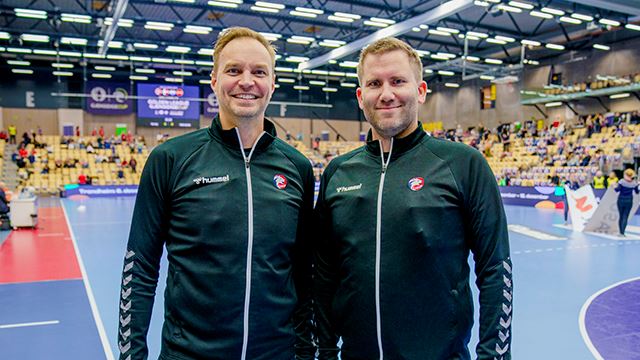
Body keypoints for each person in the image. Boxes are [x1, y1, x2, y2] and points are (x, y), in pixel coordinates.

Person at [117, 27, 315, 360]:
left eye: (259, 72)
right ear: (214, 80)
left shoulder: (297, 167)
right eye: (234, 70)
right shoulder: (171, 159)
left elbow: (303, 272)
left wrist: (306, 352)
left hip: (276, 353)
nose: (247, 81)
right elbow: (140, 266)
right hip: (189, 353)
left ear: (273, 84)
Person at [313, 37, 512, 359]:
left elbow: (495, 268)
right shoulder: (339, 172)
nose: (387, 93)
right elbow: (323, 273)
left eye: (398, 81)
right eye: (375, 83)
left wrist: (495, 355)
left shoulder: (463, 164)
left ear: (420, 90)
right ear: (361, 97)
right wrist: (322, 349)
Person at [614, 168, 639, 236]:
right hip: (629, 200)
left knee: (621, 216)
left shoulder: (622, 181)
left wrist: (614, 186)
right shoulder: (634, 183)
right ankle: (623, 232)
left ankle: (620, 232)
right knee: (625, 216)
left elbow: (617, 190)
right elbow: (637, 192)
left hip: (621, 199)